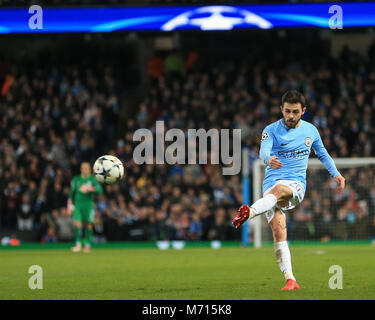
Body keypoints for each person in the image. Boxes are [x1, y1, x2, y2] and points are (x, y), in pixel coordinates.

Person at [233, 90, 345, 290]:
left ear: (303, 111)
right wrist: (269, 159)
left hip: (295, 184)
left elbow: (323, 154)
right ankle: (290, 279)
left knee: (276, 192)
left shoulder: (311, 131)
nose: (290, 116)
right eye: (287, 111)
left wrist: (336, 173)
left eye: (295, 111)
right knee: (278, 231)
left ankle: (249, 212)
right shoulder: (270, 130)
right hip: (271, 183)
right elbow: (263, 151)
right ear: (281, 110)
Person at [67, 162, 103, 253]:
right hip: (78, 205)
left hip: (89, 206)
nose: (85, 169)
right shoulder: (76, 179)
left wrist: (89, 189)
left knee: (88, 225)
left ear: (90, 169)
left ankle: (87, 245)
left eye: (86, 168)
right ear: (81, 169)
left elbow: (100, 191)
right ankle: (78, 244)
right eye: (83, 168)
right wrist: (69, 206)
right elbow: (71, 194)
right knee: (77, 223)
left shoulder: (93, 180)